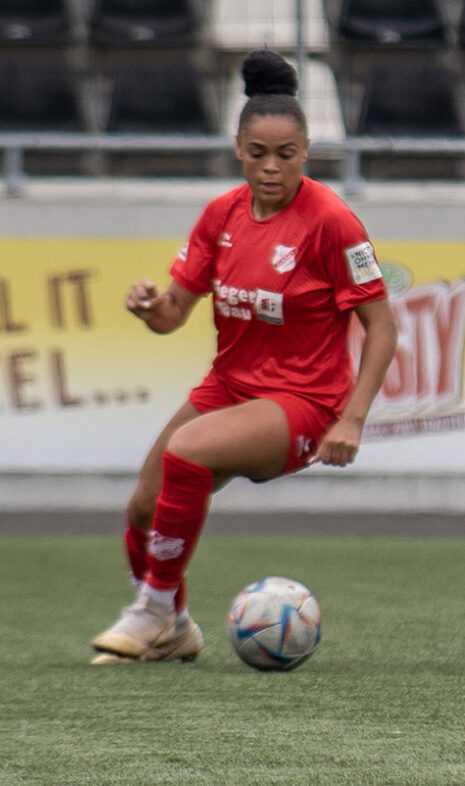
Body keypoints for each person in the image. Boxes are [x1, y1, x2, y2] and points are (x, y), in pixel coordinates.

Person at [90, 51, 398, 664]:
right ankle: (174, 626)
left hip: (305, 404)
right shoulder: (220, 214)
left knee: (187, 453)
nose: (271, 167)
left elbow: (382, 326)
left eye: (286, 155)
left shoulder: (333, 223)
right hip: (228, 387)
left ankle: (149, 610)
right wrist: (150, 306)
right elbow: (174, 312)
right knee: (142, 508)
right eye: (258, 153)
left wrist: (352, 419)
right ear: (238, 149)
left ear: (306, 152)